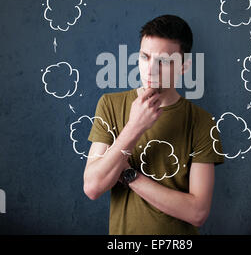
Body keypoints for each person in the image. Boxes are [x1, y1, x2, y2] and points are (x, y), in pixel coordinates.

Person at [83, 14, 224, 235]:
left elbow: (198, 212)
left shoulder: (201, 122)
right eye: (145, 57)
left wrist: (129, 175)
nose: (150, 69)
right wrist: (135, 127)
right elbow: (93, 187)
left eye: (164, 61)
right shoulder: (110, 105)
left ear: (184, 67)